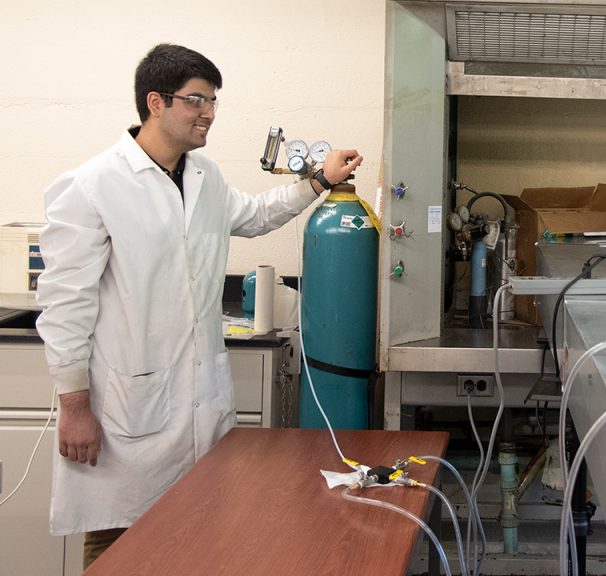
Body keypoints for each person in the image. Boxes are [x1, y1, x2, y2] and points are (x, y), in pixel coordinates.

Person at [35, 43, 363, 567]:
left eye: (212, 101)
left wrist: (319, 180)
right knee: (121, 537)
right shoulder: (92, 186)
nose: (209, 113)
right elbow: (64, 305)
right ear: (155, 102)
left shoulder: (203, 176)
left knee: (199, 532)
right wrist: (73, 407)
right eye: (196, 100)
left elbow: (255, 215)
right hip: (125, 404)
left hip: (198, 396)